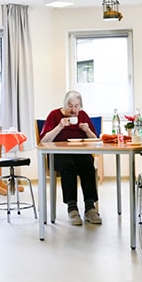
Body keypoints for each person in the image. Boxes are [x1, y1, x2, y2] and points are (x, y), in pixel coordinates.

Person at [39, 90, 101, 226]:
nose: (73, 110)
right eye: (70, 106)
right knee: (68, 166)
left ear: (80, 106)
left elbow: (96, 140)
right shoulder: (54, 115)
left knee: (87, 163)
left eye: (76, 106)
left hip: (80, 153)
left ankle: (90, 208)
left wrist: (87, 130)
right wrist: (59, 126)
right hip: (59, 154)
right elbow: (44, 141)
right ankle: (72, 209)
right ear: (64, 105)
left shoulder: (83, 115)